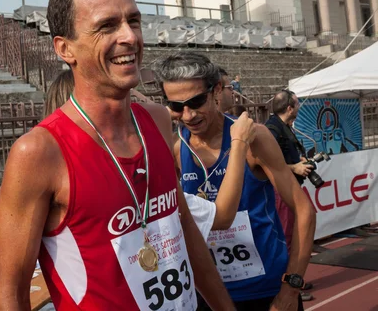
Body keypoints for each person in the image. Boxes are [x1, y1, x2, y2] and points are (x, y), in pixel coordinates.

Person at [0, 0, 235, 310]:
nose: (130, 37)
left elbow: (184, 229)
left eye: (133, 21)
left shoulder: (157, 119)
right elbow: (10, 293)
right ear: (65, 48)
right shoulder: (39, 152)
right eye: (107, 26)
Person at [153, 54, 316, 311]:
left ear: (216, 89)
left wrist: (291, 287)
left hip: (267, 290)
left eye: (196, 101)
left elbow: (304, 210)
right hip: (209, 293)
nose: (188, 114)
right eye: (176, 106)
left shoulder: (254, 137)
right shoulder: (176, 148)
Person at [47, 65, 257, 241]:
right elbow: (221, 218)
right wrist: (238, 143)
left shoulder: (57, 177)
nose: (128, 117)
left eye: (196, 101)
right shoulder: (148, 186)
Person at [265, 90, 314, 300]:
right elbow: (264, 160)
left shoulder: (283, 127)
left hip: (290, 189)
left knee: (298, 233)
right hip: (282, 191)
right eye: (297, 104)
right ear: (289, 108)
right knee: (287, 238)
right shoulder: (271, 129)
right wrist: (294, 168)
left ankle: (294, 281)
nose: (299, 107)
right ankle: (288, 288)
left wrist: (299, 161)